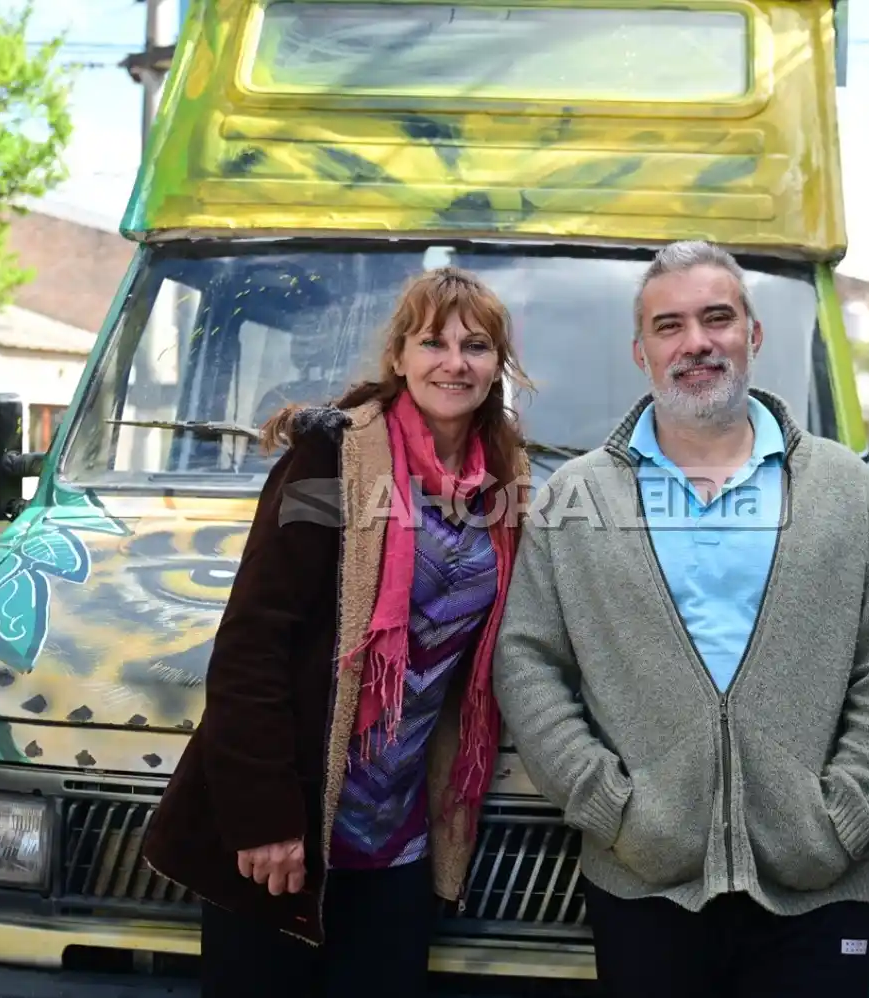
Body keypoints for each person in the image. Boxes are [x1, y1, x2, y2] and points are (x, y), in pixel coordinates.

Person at [492, 240, 869, 997]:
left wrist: (844, 819)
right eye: (670, 326)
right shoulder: (575, 497)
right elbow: (527, 661)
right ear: (641, 351)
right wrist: (612, 808)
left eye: (717, 318)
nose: (695, 342)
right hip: (644, 883)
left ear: (753, 336)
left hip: (819, 887)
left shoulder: (845, 490)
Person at [143, 267, 532, 997]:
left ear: (496, 365)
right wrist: (265, 818)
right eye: (434, 343)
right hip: (291, 836)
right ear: (399, 358)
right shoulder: (329, 458)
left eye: (476, 346)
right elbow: (252, 645)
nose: (455, 362)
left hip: (398, 839)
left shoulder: (505, 477)